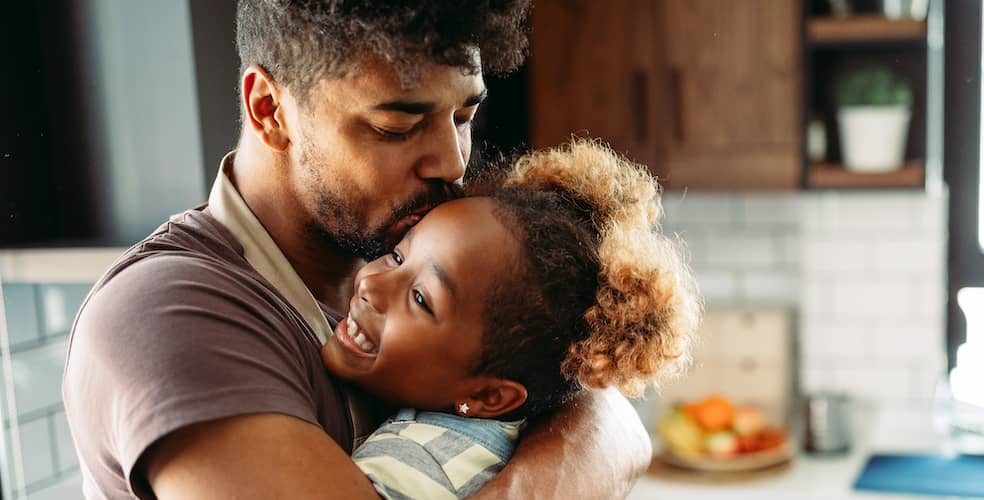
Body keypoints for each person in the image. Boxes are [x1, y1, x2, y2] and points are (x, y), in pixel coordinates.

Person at [61, 1, 652, 498]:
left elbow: (605, 412)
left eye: (464, 114)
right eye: (397, 127)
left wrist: (589, 433)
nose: (451, 161)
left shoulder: (402, 253)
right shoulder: (170, 313)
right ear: (270, 111)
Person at [324, 141, 701, 498]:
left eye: (421, 299)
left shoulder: (409, 471)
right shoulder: (505, 433)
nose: (371, 284)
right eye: (397, 256)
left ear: (488, 396)